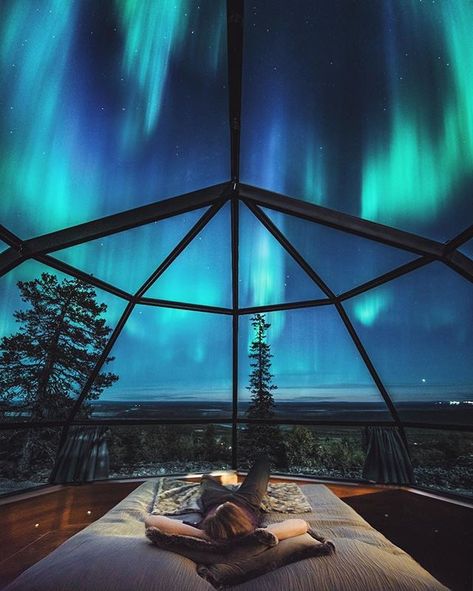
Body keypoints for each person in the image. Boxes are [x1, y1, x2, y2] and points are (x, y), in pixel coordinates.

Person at [144, 456, 309, 542]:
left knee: (207, 478)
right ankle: (233, 481)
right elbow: (302, 524)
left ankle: (219, 481)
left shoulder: (205, 530)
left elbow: (152, 521)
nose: (227, 504)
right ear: (242, 522)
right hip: (248, 501)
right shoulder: (253, 533)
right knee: (263, 464)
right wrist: (264, 533)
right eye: (229, 510)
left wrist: (203, 535)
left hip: (213, 500)